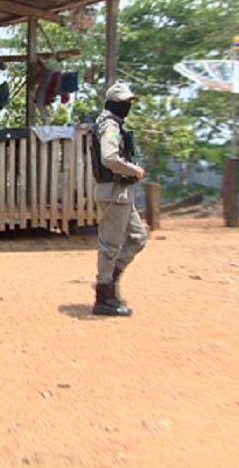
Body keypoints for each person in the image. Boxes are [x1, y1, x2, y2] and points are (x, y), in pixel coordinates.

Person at [89, 81, 148, 317]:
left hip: (121, 192)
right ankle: (103, 297)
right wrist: (133, 169)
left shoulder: (114, 124)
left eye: (128, 102)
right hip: (113, 192)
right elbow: (109, 158)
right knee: (110, 246)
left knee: (137, 237)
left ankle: (109, 283)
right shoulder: (110, 126)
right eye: (123, 102)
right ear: (112, 102)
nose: (126, 106)